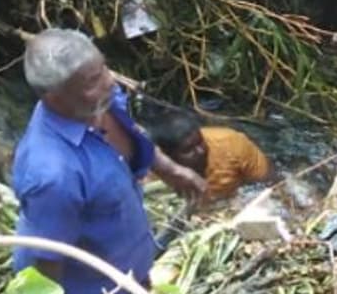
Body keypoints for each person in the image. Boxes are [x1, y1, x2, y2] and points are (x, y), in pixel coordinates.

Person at [11, 29, 206, 293]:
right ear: (54, 97)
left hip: (130, 273)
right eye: (93, 81)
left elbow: (133, 133)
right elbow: (46, 269)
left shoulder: (100, 102)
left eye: (104, 68)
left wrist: (170, 170)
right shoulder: (54, 176)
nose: (110, 82)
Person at [149, 110, 275, 202]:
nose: (200, 151)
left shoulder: (231, 143)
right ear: (168, 155)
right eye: (188, 150)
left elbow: (270, 184)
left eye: (200, 142)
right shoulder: (152, 171)